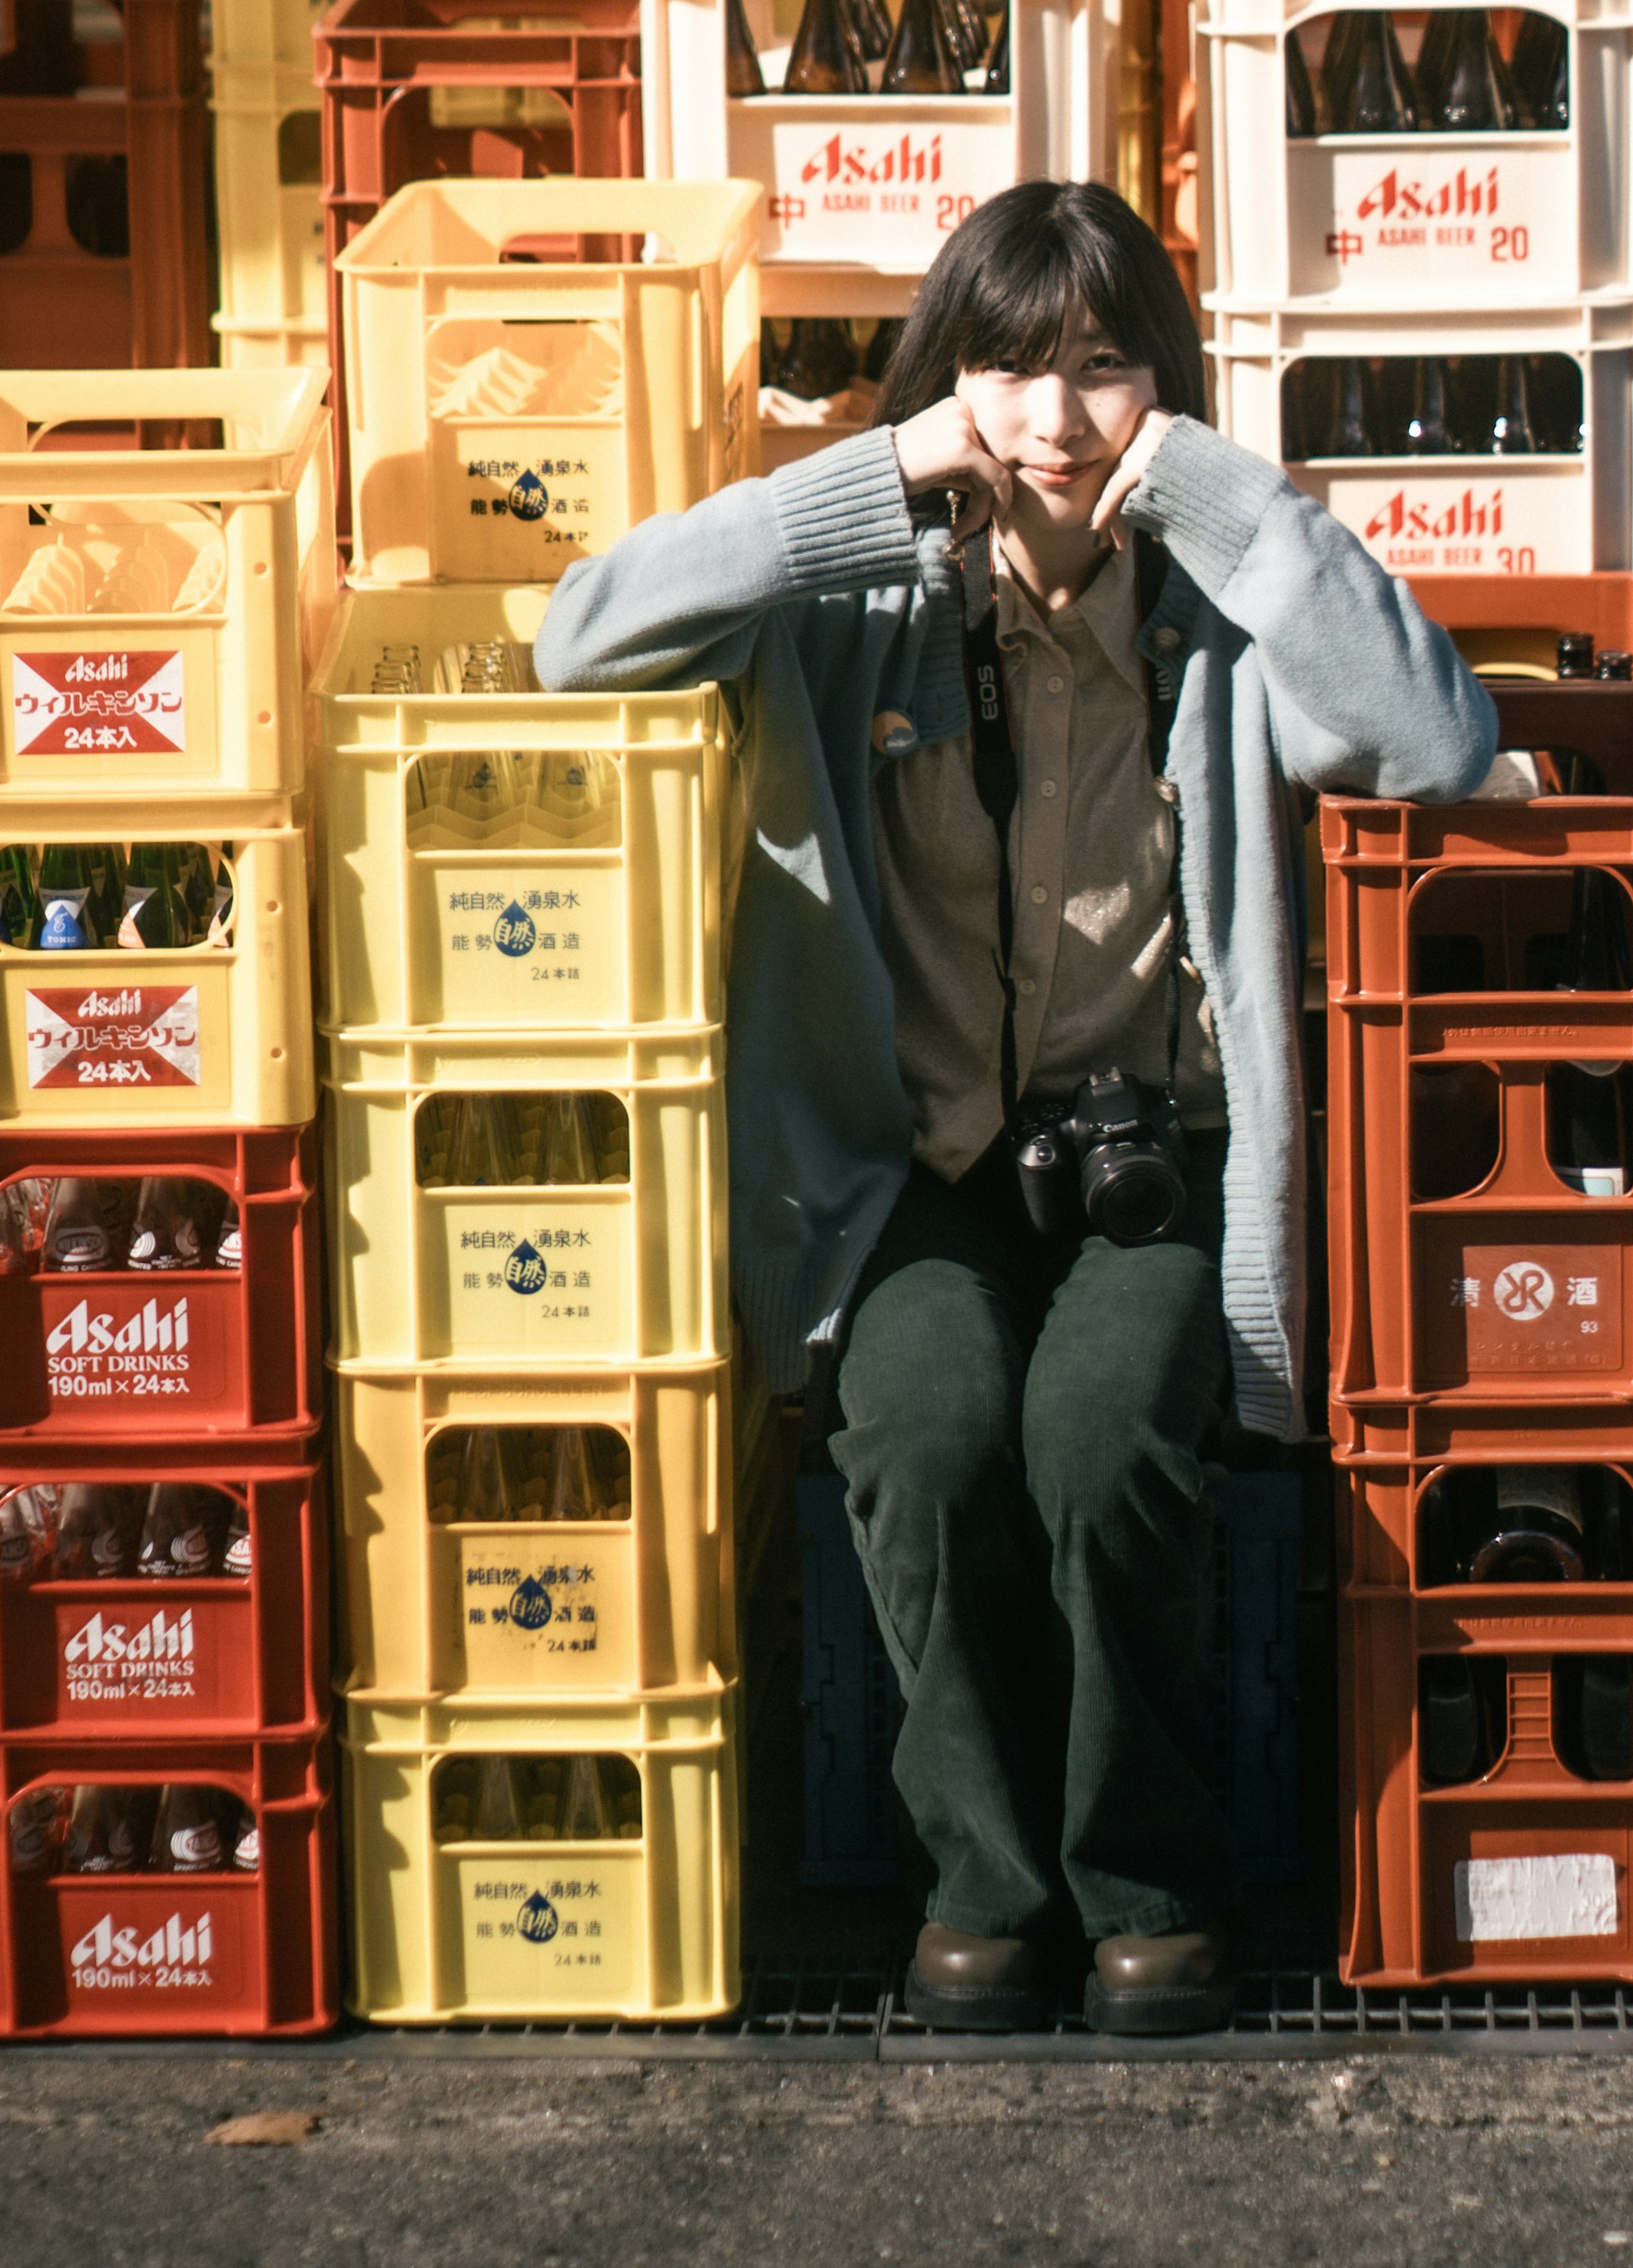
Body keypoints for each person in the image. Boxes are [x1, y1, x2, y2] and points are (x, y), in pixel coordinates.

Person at [537, 177, 1496, 2032]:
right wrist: (861, 481)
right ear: (943, 384)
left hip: (1154, 1148)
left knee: (1105, 1433)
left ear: (1166, 388)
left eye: (1105, 371)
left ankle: (1146, 1879)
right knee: (925, 1430)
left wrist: (1232, 497)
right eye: (1005, 370)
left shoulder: (1217, 608)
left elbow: (1437, 740)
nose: (1055, 424)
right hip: (915, 1171)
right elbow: (582, 636)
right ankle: (986, 1877)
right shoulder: (871, 596)